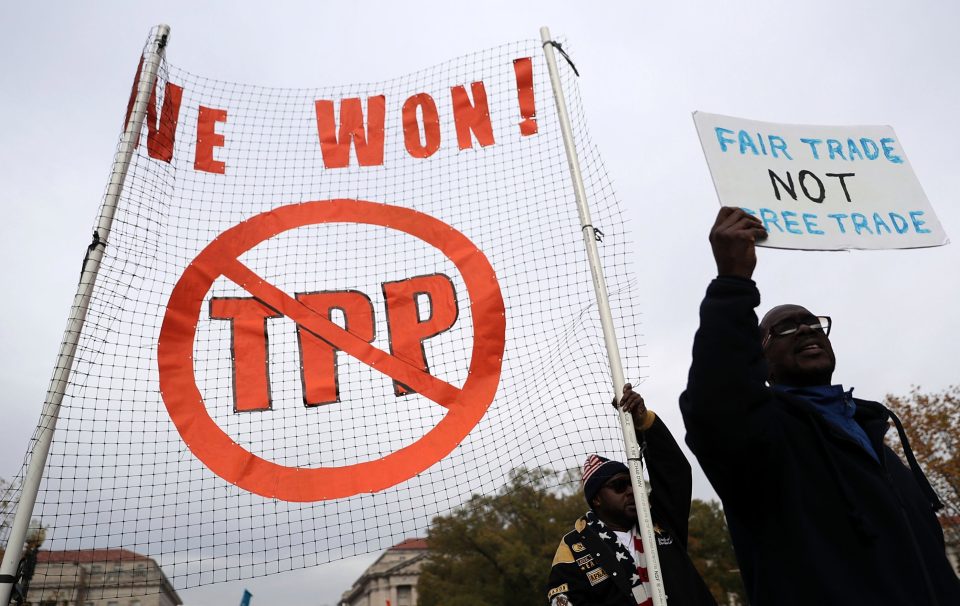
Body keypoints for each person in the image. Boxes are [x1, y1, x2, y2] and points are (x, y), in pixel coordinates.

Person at [679, 206, 960, 606]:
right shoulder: (765, 440)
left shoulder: (873, 439)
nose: (808, 328)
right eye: (787, 327)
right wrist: (732, 283)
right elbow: (716, 402)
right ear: (761, 359)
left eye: (814, 323)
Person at [547, 385, 717, 606]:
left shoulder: (659, 522)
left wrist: (644, 424)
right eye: (618, 486)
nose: (630, 491)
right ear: (596, 499)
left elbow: (675, 473)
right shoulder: (574, 547)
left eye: (633, 484)